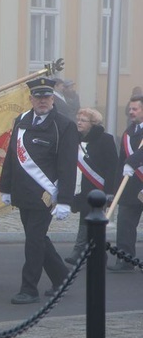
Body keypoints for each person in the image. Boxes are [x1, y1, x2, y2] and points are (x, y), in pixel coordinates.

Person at [0, 78, 78, 304]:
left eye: (46, 96)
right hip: (23, 193)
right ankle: (62, 276)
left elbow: (67, 166)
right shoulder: (21, 120)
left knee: (33, 241)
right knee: (37, 238)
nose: (42, 101)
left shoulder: (64, 125)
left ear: (52, 98)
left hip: (45, 196)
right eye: (38, 97)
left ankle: (29, 288)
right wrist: (5, 187)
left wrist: (64, 200)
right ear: (31, 99)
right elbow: (12, 157)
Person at [65, 108, 116, 264]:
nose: (78, 122)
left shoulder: (105, 139)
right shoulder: (75, 138)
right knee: (84, 218)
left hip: (97, 189)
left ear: (93, 124)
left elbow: (112, 167)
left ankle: (81, 251)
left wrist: (109, 192)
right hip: (81, 188)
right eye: (78, 119)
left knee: (91, 220)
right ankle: (91, 253)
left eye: (83, 120)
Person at [108, 95, 143, 273]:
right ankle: (125, 260)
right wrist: (116, 191)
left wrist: (134, 161)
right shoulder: (128, 133)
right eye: (130, 109)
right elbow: (121, 163)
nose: (131, 112)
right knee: (125, 225)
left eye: (135, 109)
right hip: (131, 188)